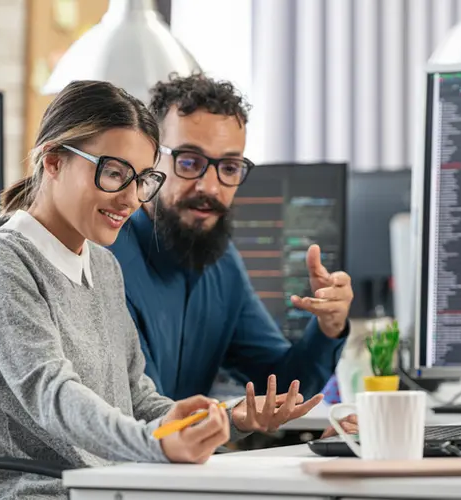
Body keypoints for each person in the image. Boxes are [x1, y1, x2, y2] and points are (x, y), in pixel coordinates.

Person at [0, 80, 321, 500]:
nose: (131, 199)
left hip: (111, 485)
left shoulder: (102, 265)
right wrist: (155, 445)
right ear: (54, 161)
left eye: (142, 180)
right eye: (114, 173)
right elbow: (52, 396)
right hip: (33, 491)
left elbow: (138, 399)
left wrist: (228, 418)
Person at [107, 73, 354, 404]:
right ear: (150, 160)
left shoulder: (222, 264)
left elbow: (283, 388)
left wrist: (328, 327)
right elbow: (140, 414)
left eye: (229, 167)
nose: (210, 187)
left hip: (186, 454)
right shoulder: (105, 258)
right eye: (190, 162)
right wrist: (232, 421)